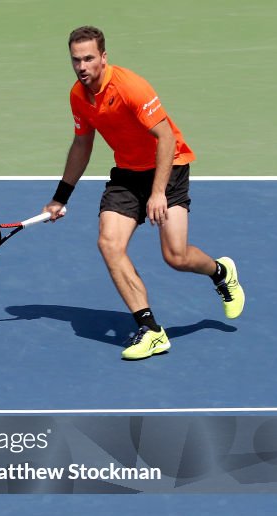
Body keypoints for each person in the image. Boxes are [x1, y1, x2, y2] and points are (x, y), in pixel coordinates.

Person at [43, 25, 245, 360]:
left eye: (89, 58)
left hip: (169, 166)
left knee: (175, 256)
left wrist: (158, 193)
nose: (82, 66)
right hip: (127, 175)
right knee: (109, 243)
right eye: (76, 60)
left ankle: (221, 272)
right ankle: (151, 331)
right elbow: (82, 143)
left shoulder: (130, 87)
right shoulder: (78, 96)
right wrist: (61, 196)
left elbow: (165, 137)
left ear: (103, 57)